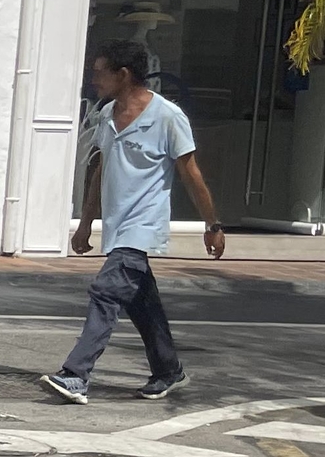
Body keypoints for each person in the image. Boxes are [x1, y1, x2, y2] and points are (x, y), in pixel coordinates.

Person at [43, 39, 225, 404]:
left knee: (106, 291)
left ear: (123, 74)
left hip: (143, 225)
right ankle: (168, 370)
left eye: (99, 72)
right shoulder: (107, 114)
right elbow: (99, 171)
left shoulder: (168, 117)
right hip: (116, 224)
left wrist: (213, 225)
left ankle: (76, 374)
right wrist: (85, 224)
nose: (93, 79)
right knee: (143, 303)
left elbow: (190, 174)